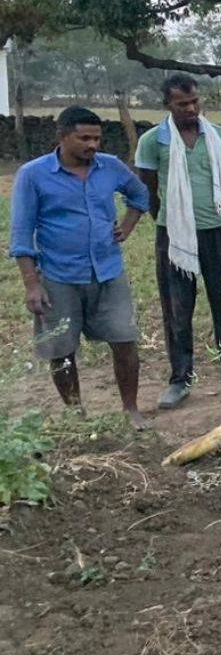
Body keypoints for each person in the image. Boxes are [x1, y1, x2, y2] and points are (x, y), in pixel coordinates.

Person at [10, 107, 150, 429]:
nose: (93, 145)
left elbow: (140, 195)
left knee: (125, 340)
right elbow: (21, 234)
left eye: (97, 138)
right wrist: (32, 284)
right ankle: (77, 415)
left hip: (108, 272)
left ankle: (131, 410)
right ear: (62, 137)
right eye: (84, 138)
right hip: (59, 276)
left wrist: (127, 226)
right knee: (62, 350)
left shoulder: (110, 167)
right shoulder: (33, 175)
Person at [136, 74, 221, 409]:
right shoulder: (153, 141)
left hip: (217, 232)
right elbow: (148, 190)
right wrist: (172, 222)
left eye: (194, 102)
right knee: (177, 311)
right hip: (174, 235)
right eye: (182, 104)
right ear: (167, 104)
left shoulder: (217, 135)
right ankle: (180, 380)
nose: (190, 109)